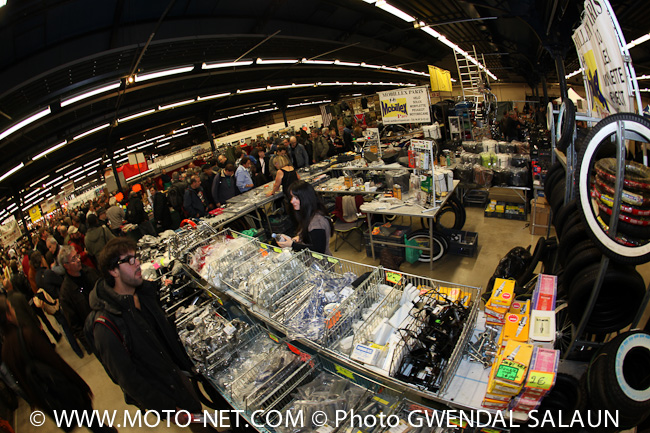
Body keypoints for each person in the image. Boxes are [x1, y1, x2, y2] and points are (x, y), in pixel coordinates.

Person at [85, 238, 205, 419]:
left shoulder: (143, 293)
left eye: (136, 257)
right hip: (167, 393)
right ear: (113, 271)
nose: (138, 263)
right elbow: (129, 381)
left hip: (177, 374)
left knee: (200, 413)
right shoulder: (106, 326)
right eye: (129, 260)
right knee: (198, 424)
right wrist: (168, 410)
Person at [1, 292, 115, 433]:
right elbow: (56, 363)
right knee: (94, 423)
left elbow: (25, 386)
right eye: (11, 308)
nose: (13, 310)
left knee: (90, 423)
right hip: (64, 389)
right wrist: (80, 384)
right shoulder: (27, 336)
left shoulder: (6, 352)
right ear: (8, 315)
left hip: (51, 401)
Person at [59, 245, 100, 355]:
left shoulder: (89, 272)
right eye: (73, 259)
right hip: (96, 338)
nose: (78, 260)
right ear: (66, 266)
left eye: (77, 256)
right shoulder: (66, 294)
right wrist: (91, 344)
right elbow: (75, 325)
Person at [276, 180, 333, 255]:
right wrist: (300, 237)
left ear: (305, 198)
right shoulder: (309, 214)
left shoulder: (317, 221)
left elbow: (319, 250)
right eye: (292, 197)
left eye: (296, 198)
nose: (292, 201)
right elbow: (311, 236)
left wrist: (292, 245)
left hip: (321, 263)